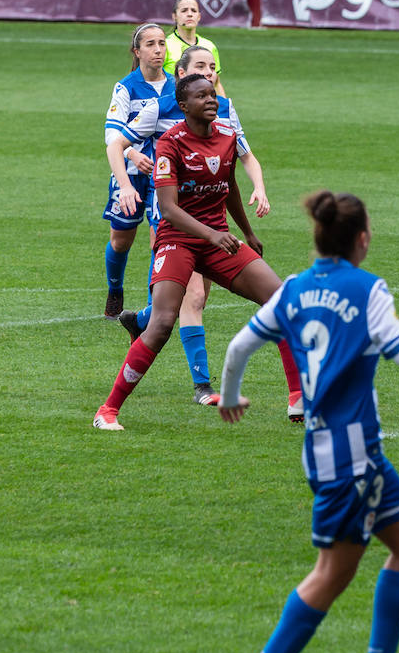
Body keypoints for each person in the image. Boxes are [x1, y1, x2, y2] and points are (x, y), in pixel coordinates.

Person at [217, 190, 399, 653]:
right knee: (333, 572)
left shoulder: (292, 290)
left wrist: (233, 395)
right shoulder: (368, 288)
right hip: (348, 460)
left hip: (350, 453)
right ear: (361, 239)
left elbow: (238, 347)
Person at [92, 72, 302, 430]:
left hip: (217, 238)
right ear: (184, 106)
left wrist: (248, 232)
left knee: (282, 300)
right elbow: (169, 208)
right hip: (177, 239)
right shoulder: (171, 143)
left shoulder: (227, 137)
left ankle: (298, 399)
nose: (211, 100)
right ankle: (108, 410)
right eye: (202, 96)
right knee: (160, 324)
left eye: (212, 94)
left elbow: (230, 185)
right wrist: (213, 234)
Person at [106, 45, 272, 407]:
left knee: (187, 300)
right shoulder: (159, 109)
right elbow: (118, 142)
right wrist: (130, 173)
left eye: (213, 68)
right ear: (181, 75)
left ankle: (144, 319)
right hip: (171, 220)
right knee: (191, 298)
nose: (210, 74)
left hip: (214, 223)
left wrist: (257, 191)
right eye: (201, 67)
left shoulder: (224, 113)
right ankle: (202, 386)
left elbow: (236, 165)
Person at [102, 23, 174, 318]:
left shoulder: (176, 87)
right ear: (137, 51)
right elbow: (112, 134)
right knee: (121, 240)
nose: (158, 49)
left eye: (161, 43)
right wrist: (130, 151)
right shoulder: (126, 87)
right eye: (151, 44)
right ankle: (115, 289)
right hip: (129, 173)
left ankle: (150, 310)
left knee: (161, 237)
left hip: (164, 176)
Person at [164, 0, 225, 96]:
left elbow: (216, 83)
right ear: (174, 16)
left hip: (202, 105)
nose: (189, 14)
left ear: (199, 16)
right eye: (184, 10)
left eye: (193, 10)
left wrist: (225, 109)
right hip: (173, 105)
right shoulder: (165, 45)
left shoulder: (209, 46)